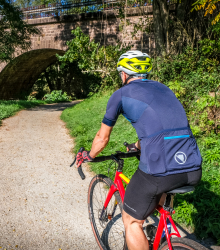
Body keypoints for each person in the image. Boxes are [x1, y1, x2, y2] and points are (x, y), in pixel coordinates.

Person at [76, 50, 202, 250]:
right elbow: (160, 128)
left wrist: (88, 155)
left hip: (161, 171)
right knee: (156, 195)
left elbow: (102, 138)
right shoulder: (164, 89)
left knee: (131, 220)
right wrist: (136, 146)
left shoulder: (121, 95)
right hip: (193, 167)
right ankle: (161, 234)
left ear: (124, 74)